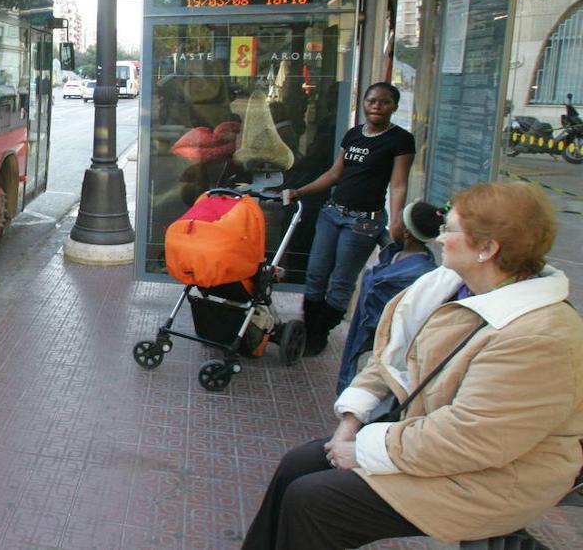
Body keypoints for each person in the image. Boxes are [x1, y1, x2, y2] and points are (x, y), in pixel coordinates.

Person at [241, 180, 583, 550]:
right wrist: (351, 424)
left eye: (449, 230)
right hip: (431, 445)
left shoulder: (540, 336)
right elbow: (388, 359)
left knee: (315, 500)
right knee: (299, 464)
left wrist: (364, 450)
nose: (437, 239)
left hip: (493, 479)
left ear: (487, 248)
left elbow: (471, 439)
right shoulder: (445, 287)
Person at [283, 82, 414, 355]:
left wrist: (398, 219)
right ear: (364, 103)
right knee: (316, 273)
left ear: (394, 107)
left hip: (363, 222)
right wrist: (301, 191)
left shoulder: (400, 140)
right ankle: (308, 328)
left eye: (384, 102)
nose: (377, 106)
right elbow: (334, 174)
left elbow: (399, 184)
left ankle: (319, 335)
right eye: (372, 101)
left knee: (341, 281)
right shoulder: (354, 134)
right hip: (332, 214)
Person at [335, 200, 444, 393]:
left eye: (397, 219)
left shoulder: (415, 275)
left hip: (378, 350)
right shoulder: (393, 256)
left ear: (406, 232)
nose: (392, 223)